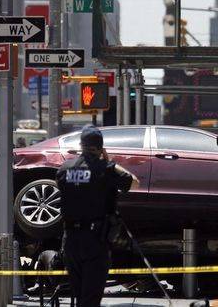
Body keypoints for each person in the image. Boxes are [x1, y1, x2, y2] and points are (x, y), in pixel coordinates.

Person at [55, 125, 138, 306]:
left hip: (70, 241)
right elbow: (135, 183)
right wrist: (112, 164)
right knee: (90, 300)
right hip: (95, 241)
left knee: (79, 297)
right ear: (101, 147)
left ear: (81, 145)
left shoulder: (64, 169)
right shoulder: (106, 169)